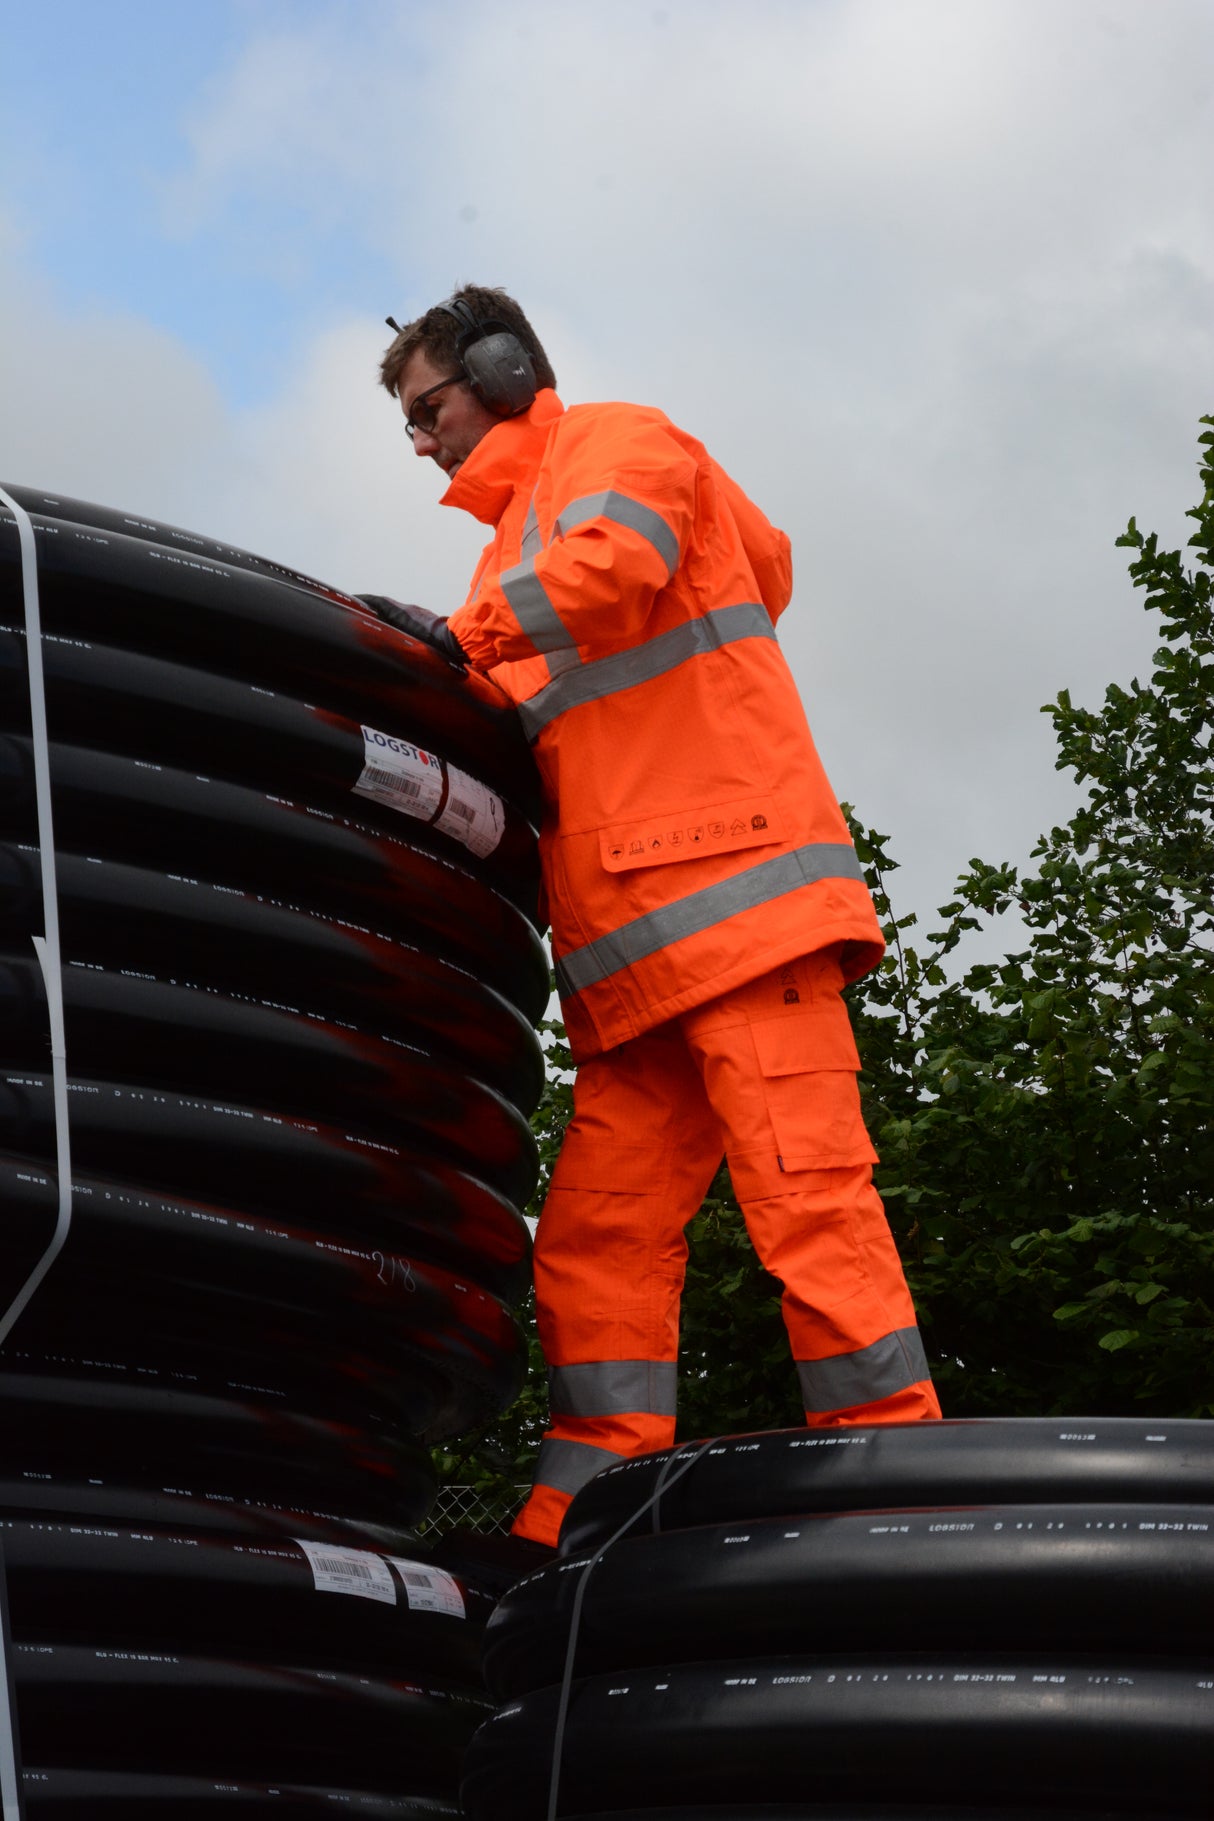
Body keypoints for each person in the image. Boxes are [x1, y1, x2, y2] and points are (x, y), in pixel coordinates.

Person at [368, 285, 941, 1550]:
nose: (420, 442)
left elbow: (612, 572)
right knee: (595, 1240)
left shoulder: (619, 447)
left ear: (510, 372)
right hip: (633, 970)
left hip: (738, 915)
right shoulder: (510, 538)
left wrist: (451, 639)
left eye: (430, 408)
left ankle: (894, 1481)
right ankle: (584, 1513)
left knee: (808, 1201)